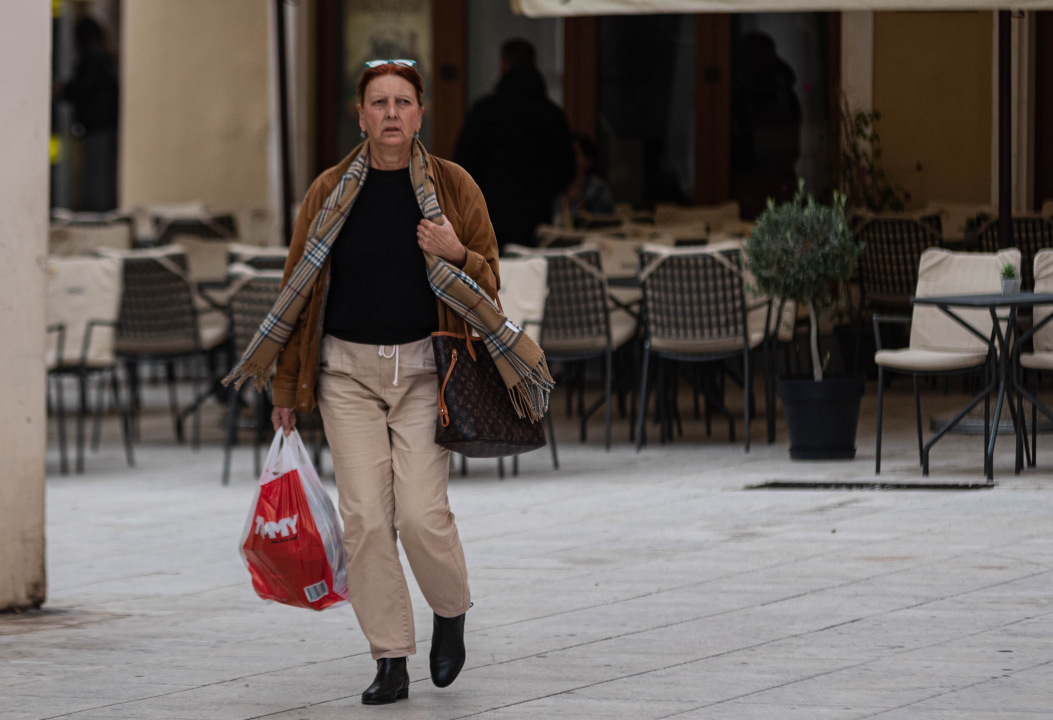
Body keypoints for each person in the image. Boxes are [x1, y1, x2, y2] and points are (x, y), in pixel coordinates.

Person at [269, 61, 499, 705]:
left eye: (403, 102)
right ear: (361, 114)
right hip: (346, 372)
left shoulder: (454, 189)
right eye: (379, 103)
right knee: (366, 520)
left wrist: (458, 253)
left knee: (424, 517)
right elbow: (298, 292)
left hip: (427, 369)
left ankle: (449, 611)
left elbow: (491, 282)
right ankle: (391, 656)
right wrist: (286, 389)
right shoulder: (329, 191)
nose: (391, 114)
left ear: (421, 113)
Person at [455, 39, 575, 251]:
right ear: (535, 65)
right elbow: (567, 168)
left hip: (489, 218)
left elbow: (463, 164)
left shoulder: (485, 111)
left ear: (504, 65)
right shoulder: (552, 114)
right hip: (538, 222)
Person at [59, 17, 119, 211]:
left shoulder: (93, 58)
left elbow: (87, 87)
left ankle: (96, 214)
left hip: (97, 125)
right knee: (97, 172)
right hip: (103, 125)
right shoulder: (103, 57)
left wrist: (64, 90)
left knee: (95, 173)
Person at [555, 133, 616, 227]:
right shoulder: (553, 189)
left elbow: (604, 227)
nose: (568, 158)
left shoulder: (598, 189)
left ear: (588, 160)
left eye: (574, 154)